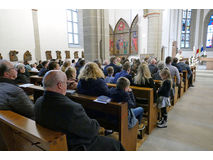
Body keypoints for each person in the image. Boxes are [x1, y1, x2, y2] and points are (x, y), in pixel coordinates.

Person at [34, 70, 124, 151]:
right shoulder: (71, 108)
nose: (67, 86)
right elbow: (91, 131)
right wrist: (94, 122)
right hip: (73, 146)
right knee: (115, 144)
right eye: (66, 83)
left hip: (51, 143)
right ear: (60, 85)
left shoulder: (38, 101)